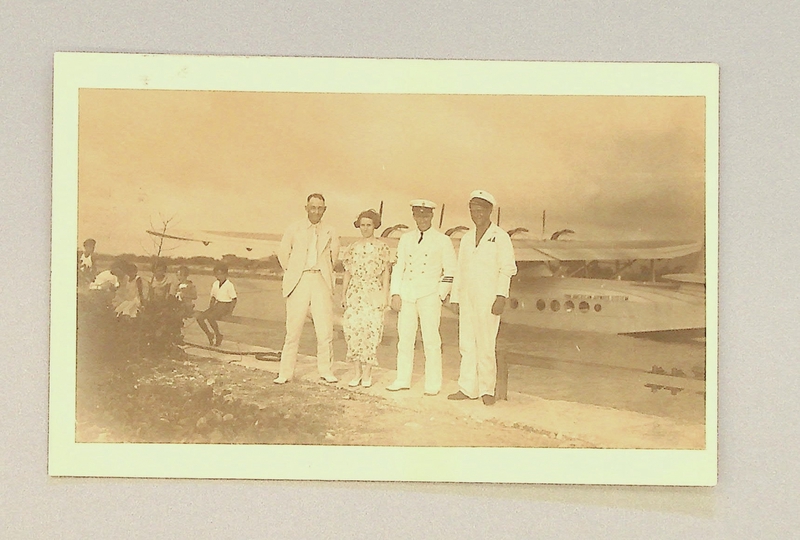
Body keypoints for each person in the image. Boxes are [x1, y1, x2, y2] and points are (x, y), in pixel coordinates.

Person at [447, 190, 517, 405]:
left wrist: (501, 296)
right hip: (467, 297)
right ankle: (467, 387)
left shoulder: (501, 237)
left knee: (486, 343)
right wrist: (456, 297)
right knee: (466, 342)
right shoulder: (467, 238)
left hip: (489, 298)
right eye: (472, 210)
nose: (476, 215)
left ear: (489, 211)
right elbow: (460, 269)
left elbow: (507, 269)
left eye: (480, 210)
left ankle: (487, 389)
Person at [386, 199, 457, 396]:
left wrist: (440, 294)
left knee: (431, 340)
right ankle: (402, 379)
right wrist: (395, 293)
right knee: (405, 339)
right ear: (414, 216)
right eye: (418, 215)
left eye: (426, 215)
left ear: (432, 216)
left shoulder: (442, 240)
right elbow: (399, 267)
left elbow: (451, 270)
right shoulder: (406, 238)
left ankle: (433, 383)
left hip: (429, 295)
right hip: (408, 293)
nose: (422, 219)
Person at [274, 193, 340, 384]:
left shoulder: (331, 231)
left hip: (320, 279)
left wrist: (323, 272)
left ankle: (326, 370)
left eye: (320, 208)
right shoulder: (294, 228)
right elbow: (283, 253)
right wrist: (294, 272)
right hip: (299, 280)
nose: (316, 211)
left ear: (324, 210)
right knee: (293, 329)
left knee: (325, 329)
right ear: (306, 208)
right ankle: (285, 373)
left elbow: (333, 257)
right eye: (313, 207)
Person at [340, 209, 391, 388]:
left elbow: (386, 273)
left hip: (373, 291)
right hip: (355, 291)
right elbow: (347, 273)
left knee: (371, 330)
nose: (365, 228)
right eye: (362, 225)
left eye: (369, 225)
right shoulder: (352, 247)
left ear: (375, 225)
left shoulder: (381, 247)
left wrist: (385, 295)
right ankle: (357, 373)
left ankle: (368, 373)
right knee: (353, 329)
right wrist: (344, 294)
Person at [196, 263, 237, 347]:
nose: (219, 276)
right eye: (217, 274)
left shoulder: (229, 285)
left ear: (226, 274)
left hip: (225, 305)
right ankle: (209, 334)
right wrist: (210, 308)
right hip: (217, 305)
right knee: (200, 317)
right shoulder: (215, 284)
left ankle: (218, 335)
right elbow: (213, 297)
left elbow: (234, 299)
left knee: (211, 317)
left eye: (221, 274)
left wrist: (230, 312)